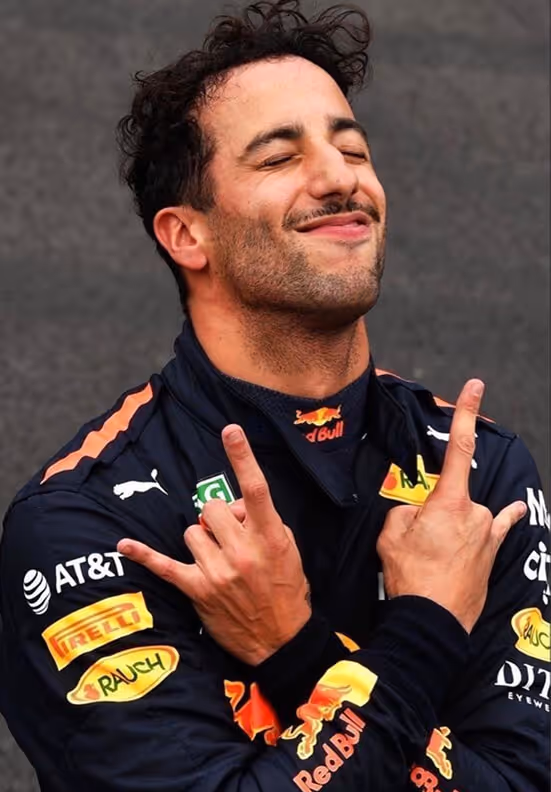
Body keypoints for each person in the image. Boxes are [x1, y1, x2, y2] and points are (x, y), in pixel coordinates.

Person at [0, 1, 549, 790]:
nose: (340, 179)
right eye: (278, 158)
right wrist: (424, 629)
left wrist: (296, 652)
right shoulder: (89, 526)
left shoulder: (477, 477)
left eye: (351, 147)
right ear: (187, 235)